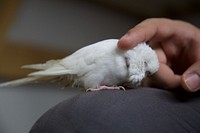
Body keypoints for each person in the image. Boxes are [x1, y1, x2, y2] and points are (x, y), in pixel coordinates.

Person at [29, 18, 200, 133]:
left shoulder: (130, 64)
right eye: (147, 71)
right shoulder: (111, 50)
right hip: (72, 68)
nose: (146, 76)